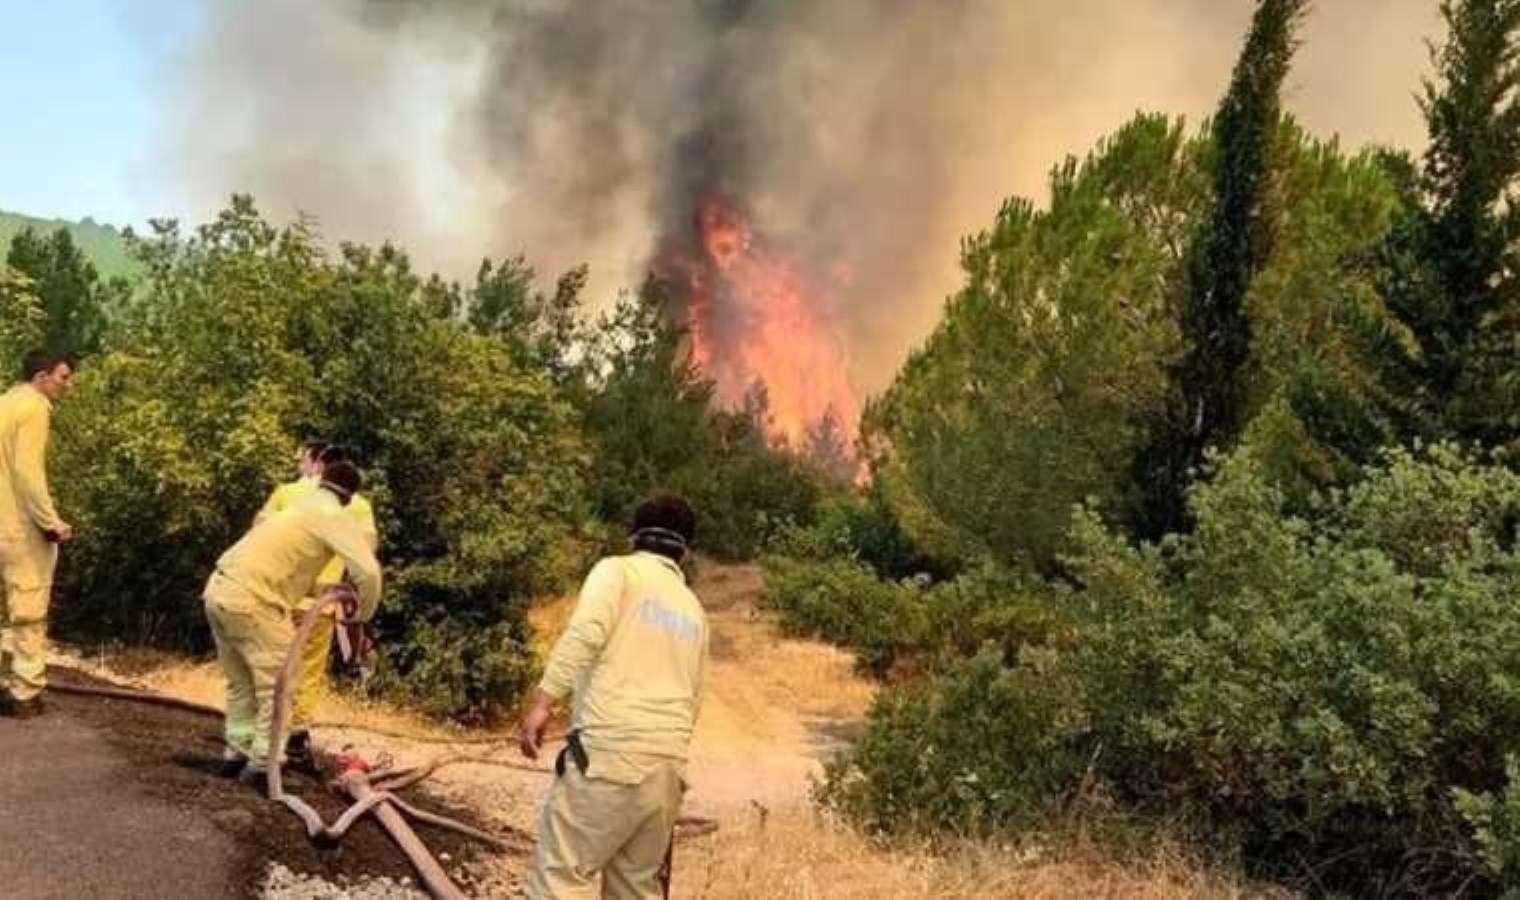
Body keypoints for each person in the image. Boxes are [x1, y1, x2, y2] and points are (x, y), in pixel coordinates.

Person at [519, 495, 709, 900]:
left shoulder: (617, 572)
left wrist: (543, 703)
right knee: (635, 889)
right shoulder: (693, 608)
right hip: (667, 768)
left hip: (609, 756)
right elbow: (695, 696)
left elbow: (586, 634)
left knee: (561, 878)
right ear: (685, 550)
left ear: (632, 536)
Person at [203, 460, 381, 784]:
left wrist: (324, 589)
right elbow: (368, 573)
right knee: (281, 685)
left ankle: (236, 752)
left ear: (321, 481)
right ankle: (262, 766)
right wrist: (362, 615)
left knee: (242, 682)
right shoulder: (333, 516)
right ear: (350, 496)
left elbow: (289, 568)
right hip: (254, 601)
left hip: (220, 590)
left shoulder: (298, 508)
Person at [254, 442, 379, 773]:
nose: (300, 466)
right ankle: (295, 739)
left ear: (318, 463)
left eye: (302, 460)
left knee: (271, 665)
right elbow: (366, 551)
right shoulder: (359, 506)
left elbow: (259, 532)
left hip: (278, 596)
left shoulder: (287, 494)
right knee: (307, 673)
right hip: (320, 605)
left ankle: (260, 739)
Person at [0, 350, 75, 718]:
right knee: (29, 605)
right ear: (41, 377)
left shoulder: (4, 403)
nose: (68, 385)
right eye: (64, 377)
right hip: (16, 524)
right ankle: (25, 690)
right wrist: (51, 522)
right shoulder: (35, 408)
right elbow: (29, 473)